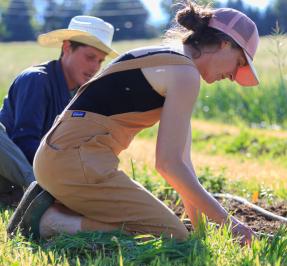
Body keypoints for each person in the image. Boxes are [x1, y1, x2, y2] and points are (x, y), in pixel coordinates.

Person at [8, 2, 260, 245]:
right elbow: (168, 164)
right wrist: (230, 224)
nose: (233, 77)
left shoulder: (172, 58)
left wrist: (200, 233)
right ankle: (51, 223)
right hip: (76, 162)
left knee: (179, 233)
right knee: (171, 233)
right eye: (239, 63)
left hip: (63, 158)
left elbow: (183, 164)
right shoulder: (185, 74)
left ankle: (58, 204)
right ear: (225, 44)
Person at [0, 16, 118, 206]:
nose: (95, 67)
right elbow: (25, 141)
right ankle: (45, 197)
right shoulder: (36, 80)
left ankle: (43, 197)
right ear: (66, 48)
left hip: (26, 180)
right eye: (89, 58)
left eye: (100, 61)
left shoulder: (79, 97)